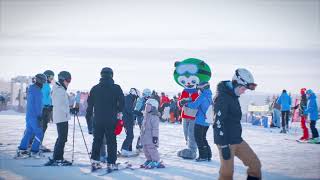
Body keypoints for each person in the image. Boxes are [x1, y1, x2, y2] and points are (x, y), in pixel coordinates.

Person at [213, 68, 261, 180]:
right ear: (235, 83)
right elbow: (218, 123)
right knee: (227, 174)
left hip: (236, 139)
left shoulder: (233, 96)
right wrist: (224, 146)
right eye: (243, 88)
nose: (244, 91)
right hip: (226, 142)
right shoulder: (222, 97)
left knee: (255, 165)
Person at [86, 67, 125, 172]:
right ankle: (111, 163)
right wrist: (117, 109)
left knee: (97, 140)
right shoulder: (116, 88)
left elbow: (89, 107)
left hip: (97, 119)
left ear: (101, 75)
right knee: (111, 141)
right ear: (112, 75)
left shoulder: (95, 88)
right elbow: (122, 103)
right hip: (111, 119)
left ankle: (95, 162)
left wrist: (89, 123)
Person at [45, 71, 72, 166]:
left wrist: (70, 108)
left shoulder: (59, 89)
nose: (68, 82)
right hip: (61, 117)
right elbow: (60, 105)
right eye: (68, 80)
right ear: (62, 79)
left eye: (70, 80)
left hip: (61, 116)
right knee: (62, 138)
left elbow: (62, 104)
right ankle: (58, 158)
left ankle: (57, 157)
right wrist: (70, 110)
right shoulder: (59, 90)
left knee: (62, 138)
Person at [16, 74, 47, 158]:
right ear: (40, 81)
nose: (44, 84)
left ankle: (22, 149)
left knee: (29, 132)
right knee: (39, 133)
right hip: (35, 116)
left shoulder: (31, 89)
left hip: (29, 115)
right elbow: (38, 105)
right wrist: (39, 116)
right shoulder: (37, 92)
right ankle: (34, 151)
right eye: (43, 82)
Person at [184, 82, 212, 162]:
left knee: (199, 139)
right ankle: (208, 155)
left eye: (199, 89)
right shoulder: (209, 96)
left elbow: (194, 105)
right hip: (207, 121)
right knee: (203, 138)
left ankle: (203, 156)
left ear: (203, 88)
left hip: (200, 121)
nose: (198, 91)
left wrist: (186, 103)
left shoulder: (202, 96)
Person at [140, 98, 165, 169]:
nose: (146, 107)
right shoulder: (146, 115)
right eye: (146, 106)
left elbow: (155, 128)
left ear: (153, 107)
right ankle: (149, 159)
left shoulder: (154, 117)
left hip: (151, 137)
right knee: (145, 149)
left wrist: (155, 137)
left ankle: (156, 160)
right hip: (145, 136)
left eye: (149, 106)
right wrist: (141, 135)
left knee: (151, 149)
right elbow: (143, 127)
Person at [121, 88, 139, 156]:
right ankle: (124, 149)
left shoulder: (130, 98)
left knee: (130, 135)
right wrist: (137, 112)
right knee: (130, 135)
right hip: (127, 120)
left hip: (128, 119)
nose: (136, 98)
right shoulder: (128, 98)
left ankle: (128, 150)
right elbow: (129, 110)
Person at [40, 70, 55, 152]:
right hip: (43, 109)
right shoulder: (43, 85)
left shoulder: (47, 86)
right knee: (41, 127)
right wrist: (46, 105)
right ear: (46, 76)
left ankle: (38, 143)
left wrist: (51, 105)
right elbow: (41, 98)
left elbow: (48, 98)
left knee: (43, 127)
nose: (52, 79)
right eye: (51, 77)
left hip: (47, 109)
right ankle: (36, 144)